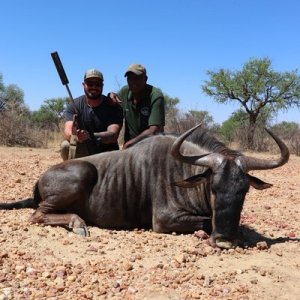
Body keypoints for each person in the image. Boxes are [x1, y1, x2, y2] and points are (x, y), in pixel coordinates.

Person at [60, 69, 123, 160]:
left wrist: (91, 135)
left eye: (97, 84)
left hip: (106, 154)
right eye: (89, 83)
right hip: (85, 151)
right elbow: (67, 131)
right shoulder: (74, 105)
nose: (94, 87)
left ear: (102, 86)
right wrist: (76, 136)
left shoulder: (113, 106)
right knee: (66, 145)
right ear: (83, 85)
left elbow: (113, 135)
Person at [109, 63, 165, 149]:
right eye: (130, 78)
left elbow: (154, 130)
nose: (133, 81)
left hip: (152, 148)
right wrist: (110, 95)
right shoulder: (125, 91)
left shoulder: (155, 95)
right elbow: (114, 99)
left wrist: (129, 144)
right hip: (131, 150)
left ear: (145, 79)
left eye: (137, 78)